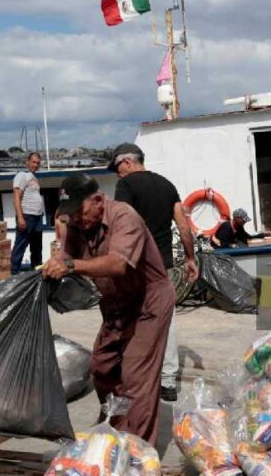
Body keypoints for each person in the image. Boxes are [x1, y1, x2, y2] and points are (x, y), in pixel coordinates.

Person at [43, 173, 174, 446]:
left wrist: (70, 266)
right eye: (70, 214)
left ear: (98, 200)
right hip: (116, 304)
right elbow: (66, 255)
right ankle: (119, 423)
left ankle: (138, 453)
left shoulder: (125, 218)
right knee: (102, 367)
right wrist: (50, 270)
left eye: (80, 211)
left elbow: (118, 265)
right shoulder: (76, 224)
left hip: (148, 301)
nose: (76, 219)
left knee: (136, 376)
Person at [108, 142, 198, 402]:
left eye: (117, 168)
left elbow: (123, 223)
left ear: (127, 162)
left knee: (132, 318)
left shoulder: (126, 186)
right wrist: (190, 258)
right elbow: (183, 225)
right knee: (166, 319)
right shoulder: (167, 185)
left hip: (138, 265)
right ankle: (168, 381)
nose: (117, 174)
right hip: (165, 265)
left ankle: (137, 377)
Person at [11, 152, 44, 274]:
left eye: (38, 163)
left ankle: (36, 275)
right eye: (33, 162)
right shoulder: (22, 176)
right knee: (20, 246)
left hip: (37, 218)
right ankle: (13, 275)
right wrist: (20, 218)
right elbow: (16, 196)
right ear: (27, 162)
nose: (35, 165)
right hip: (27, 216)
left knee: (37, 249)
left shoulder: (34, 178)